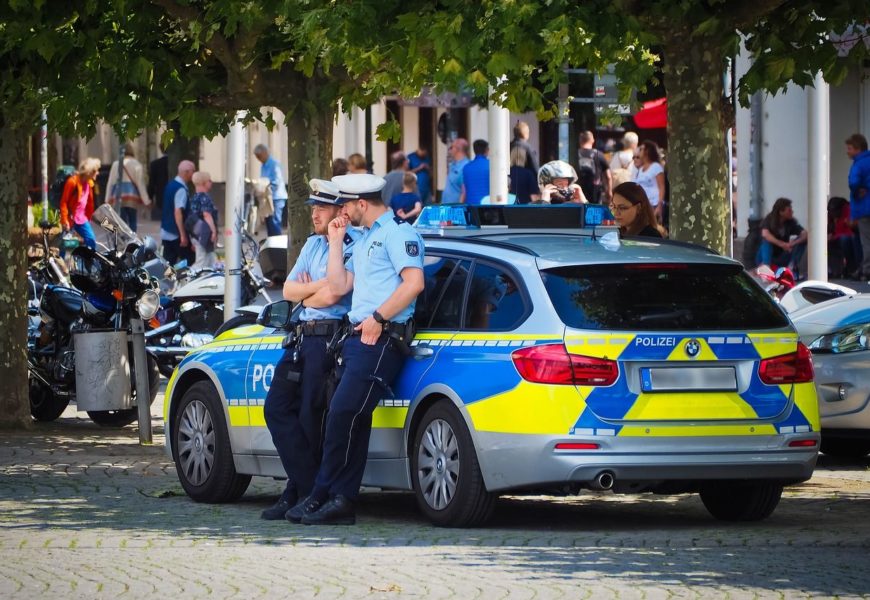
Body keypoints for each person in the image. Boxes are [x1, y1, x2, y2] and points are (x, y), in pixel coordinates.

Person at [287, 173, 424, 526]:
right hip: (356, 337)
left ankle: (322, 494)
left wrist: (379, 316)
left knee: (343, 414)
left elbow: (414, 284)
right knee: (349, 418)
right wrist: (335, 241)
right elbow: (339, 284)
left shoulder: (398, 234)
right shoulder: (364, 239)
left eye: (345, 205)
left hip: (381, 337)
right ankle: (340, 500)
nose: (341, 211)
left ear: (362, 203)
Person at [260, 178, 360, 521]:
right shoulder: (312, 245)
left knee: (308, 418)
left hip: (326, 340)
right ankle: (304, 487)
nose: (314, 213)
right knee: (275, 408)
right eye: (313, 207)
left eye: (321, 207)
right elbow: (287, 290)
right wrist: (312, 290)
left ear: (340, 211)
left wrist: (309, 291)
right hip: (300, 337)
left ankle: (299, 492)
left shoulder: (353, 244)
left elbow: (335, 294)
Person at [756, 197, 808, 279]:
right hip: (767, 256)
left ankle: (791, 267)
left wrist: (791, 244)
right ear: (781, 212)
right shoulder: (769, 219)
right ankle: (766, 268)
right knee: (767, 242)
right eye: (789, 210)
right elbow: (765, 234)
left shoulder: (790, 222)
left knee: (802, 241)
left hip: (782, 256)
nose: (792, 212)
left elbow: (805, 234)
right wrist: (782, 244)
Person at [105, 142, 151, 232]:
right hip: (132, 197)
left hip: (118, 197)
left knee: (120, 222)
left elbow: (110, 182)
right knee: (132, 220)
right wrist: (146, 201)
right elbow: (140, 184)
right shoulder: (137, 164)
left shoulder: (115, 164)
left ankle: (122, 241)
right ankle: (132, 241)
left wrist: (107, 200)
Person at [59, 158, 101, 251]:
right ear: (89, 172)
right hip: (69, 219)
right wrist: (64, 219)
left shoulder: (89, 183)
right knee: (63, 247)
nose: (97, 173)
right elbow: (64, 201)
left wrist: (89, 219)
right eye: (96, 171)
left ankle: (88, 263)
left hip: (82, 219)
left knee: (91, 241)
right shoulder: (72, 182)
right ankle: (59, 264)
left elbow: (89, 204)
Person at [161, 160, 196, 265]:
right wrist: (183, 235)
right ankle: (186, 280)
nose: (193, 174)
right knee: (190, 260)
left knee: (168, 263)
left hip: (166, 231)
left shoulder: (170, 186)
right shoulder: (180, 189)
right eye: (193, 171)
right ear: (186, 172)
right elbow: (178, 212)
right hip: (176, 233)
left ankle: (168, 280)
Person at [846, 133, 870, 279]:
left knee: (865, 241)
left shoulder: (858, 163)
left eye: (849, 148)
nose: (847, 151)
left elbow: (853, 182)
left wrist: (857, 188)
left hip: (863, 208)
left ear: (857, 149)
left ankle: (866, 270)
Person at [186, 171, 219, 269]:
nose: (211, 182)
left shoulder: (194, 197)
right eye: (209, 180)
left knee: (209, 259)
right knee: (202, 261)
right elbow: (207, 215)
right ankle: (186, 279)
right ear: (203, 182)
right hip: (204, 234)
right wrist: (213, 231)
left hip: (196, 234)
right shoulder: (205, 198)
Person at [254, 144, 288, 236]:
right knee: (269, 223)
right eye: (257, 157)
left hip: (276, 197)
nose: (258, 159)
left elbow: (277, 181)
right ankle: (271, 244)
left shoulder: (274, 164)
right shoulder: (263, 166)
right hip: (267, 198)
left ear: (265, 153)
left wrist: (266, 186)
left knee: (275, 222)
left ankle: (277, 246)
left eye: (259, 156)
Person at [633, 140, 666, 222]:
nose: (639, 151)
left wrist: (660, 206)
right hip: (643, 205)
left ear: (647, 151)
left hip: (654, 204)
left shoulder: (656, 167)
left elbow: (661, 187)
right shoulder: (640, 169)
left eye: (641, 149)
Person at [576, 131, 611, 204]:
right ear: (592, 140)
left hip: (577, 192)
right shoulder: (598, 154)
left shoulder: (574, 155)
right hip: (595, 192)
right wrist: (609, 191)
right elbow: (608, 176)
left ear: (580, 141)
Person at [462, 139, 490, 205]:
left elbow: (464, 191)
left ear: (474, 151)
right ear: (487, 150)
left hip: (471, 207)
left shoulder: (466, 167)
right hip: (487, 207)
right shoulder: (492, 166)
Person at [442, 138, 470, 203]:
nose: (449, 150)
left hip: (456, 209)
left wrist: (459, 207)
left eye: (451, 147)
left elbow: (464, 191)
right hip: (446, 207)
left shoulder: (466, 166)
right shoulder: (452, 165)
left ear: (457, 149)